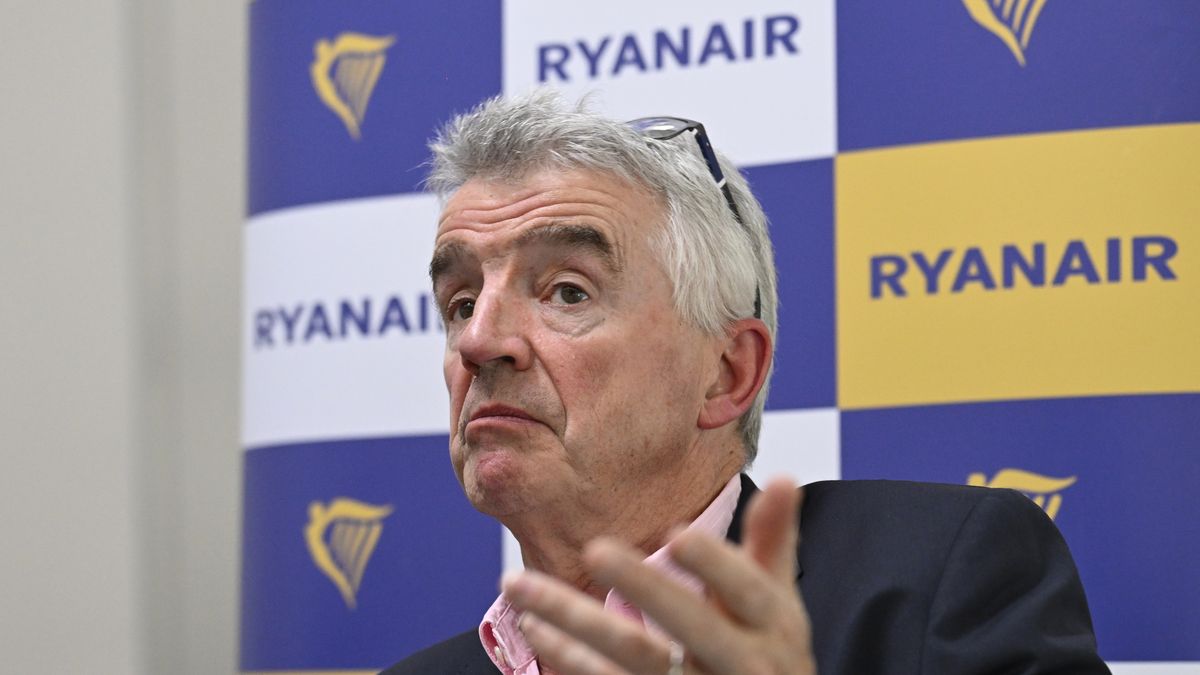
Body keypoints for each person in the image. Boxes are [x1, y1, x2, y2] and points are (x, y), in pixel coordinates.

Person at [382, 91, 1108, 675]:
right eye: (462, 302)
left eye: (567, 292)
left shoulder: (939, 579)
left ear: (727, 374)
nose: (479, 341)